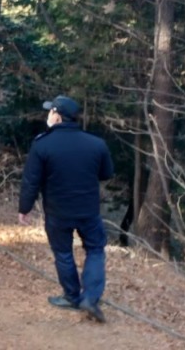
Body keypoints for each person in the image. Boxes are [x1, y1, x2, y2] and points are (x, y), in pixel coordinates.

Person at [18, 95, 114, 323]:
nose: (47, 115)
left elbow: (31, 181)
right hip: (88, 211)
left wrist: (24, 208)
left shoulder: (42, 144)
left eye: (50, 111)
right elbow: (107, 174)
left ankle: (72, 297)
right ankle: (90, 297)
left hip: (57, 212)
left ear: (57, 116)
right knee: (95, 250)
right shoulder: (96, 143)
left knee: (63, 253)